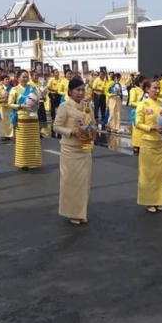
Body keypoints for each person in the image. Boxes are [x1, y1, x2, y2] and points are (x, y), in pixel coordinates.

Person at [53, 76, 95, 225]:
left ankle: (81, 211)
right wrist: (72, 132)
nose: (81, 93)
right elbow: (56, 126)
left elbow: (92, 124)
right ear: (70, 91)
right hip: (70, 150)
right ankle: (72, 212)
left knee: (84, 183)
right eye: (78, 90)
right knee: (71, 182)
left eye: (83, 90)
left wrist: (91, 133)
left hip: (84, 149)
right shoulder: (65, 107)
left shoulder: (87, 107)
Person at [135, 79, 162, 213]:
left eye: (158, 88)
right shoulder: (143, 105)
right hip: (148, 143)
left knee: (159, 174)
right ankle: (148, 201)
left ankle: (158, 200)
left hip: (161, 142)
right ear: (147, 89)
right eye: (154, 88)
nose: (157, 91)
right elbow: (138, 123)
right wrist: (152, 128)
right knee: (148, 174)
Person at [8, 70, 43, 169]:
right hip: (22, 119)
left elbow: (38, 101)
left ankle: (34, 162)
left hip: (33, 117)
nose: (25, 79)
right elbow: (9, 104)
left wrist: (35, 105)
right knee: (23, 143)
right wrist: (20, 106)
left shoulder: (32, 88)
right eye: (23, 77)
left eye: (27, 77)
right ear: (17, 78)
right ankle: (23, 162)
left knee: (34, 142)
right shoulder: (14, 90)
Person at [129, 75, 148, 155]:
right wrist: (141, 105)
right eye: (144, 81)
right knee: (137, 130)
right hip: (137, 112)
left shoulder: (146, 91)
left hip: (146, 113)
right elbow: (131, 102)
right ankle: (136, 146)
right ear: (140, 82)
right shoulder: (134, 90)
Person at [0, 75, 14, 141]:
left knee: (10, 120)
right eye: (6, 79)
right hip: (2, 106)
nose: (7, 80)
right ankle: (4, 135)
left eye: (8, 79)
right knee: (3, 121)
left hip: (9, 106)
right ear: (3, 80)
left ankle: (10, 134)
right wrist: (0, 100)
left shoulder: (12, 88)